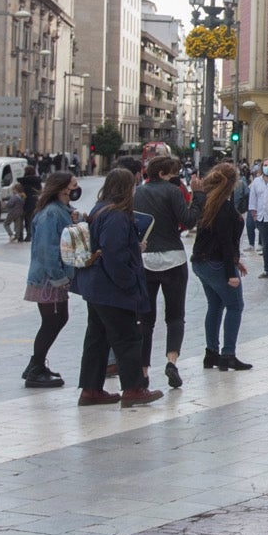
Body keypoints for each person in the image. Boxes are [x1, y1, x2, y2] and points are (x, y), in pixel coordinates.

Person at [71, 168, 161, 408]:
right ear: (126, 188)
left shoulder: (100, 209)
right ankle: (133, 388)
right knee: (128, 337)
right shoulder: (117, 216)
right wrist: (129, 283)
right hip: (111, 288)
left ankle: (91, 389)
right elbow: (115, 255)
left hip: (96, 287)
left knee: (97, 338)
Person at [135, 155, 199, 390]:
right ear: (162, 173)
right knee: (175, 316)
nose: (176, 178)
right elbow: (188, 220)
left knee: (146, 320)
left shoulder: (139, 192)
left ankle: (143, 372)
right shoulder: (173, 192)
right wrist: (198, 196)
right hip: (173, 257)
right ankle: (171, 362)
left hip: (146, 259)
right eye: (173, 173)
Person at [22, 170, 81, 388]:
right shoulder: (50, 213)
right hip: (48, 278)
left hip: (54, 276)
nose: (76, 188)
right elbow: (47, 249)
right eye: (73, 185)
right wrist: (58, 277)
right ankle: (36, 367)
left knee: (56, 320)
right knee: (52, 321)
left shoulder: (62, 210)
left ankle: (36, 364)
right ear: (63, 188)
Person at [191, 163, 251, 371]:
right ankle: (228, 354)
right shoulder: (223, 207)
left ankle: (211, 353)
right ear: (232, 183)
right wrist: (230, 273)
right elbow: (225, 242)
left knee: (215, 306)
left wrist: (234, 261)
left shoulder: (208, 203)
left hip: (201, 262)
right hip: (217, 263)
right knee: (235, 306)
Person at [15, 165, 41, 241]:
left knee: (22, 220)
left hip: (24, 203)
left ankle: (21, 236)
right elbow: (39, 191)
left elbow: (21, 191)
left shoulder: (23, 182)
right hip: (35, 202)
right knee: (31, 220)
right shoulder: (37, 182)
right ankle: (29, 235)